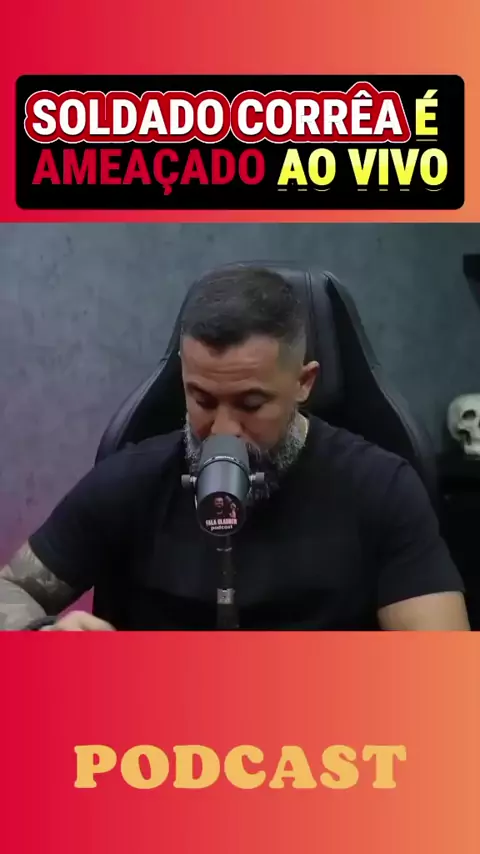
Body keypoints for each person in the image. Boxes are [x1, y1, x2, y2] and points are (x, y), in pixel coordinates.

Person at [0, 266, 470, 631]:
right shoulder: (129, 482)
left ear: (304, 382)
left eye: (251, 404)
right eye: (203, 400)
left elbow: (441, 673)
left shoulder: (381, 489)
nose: (223, 430)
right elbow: (12, 590)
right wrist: (42, 634)